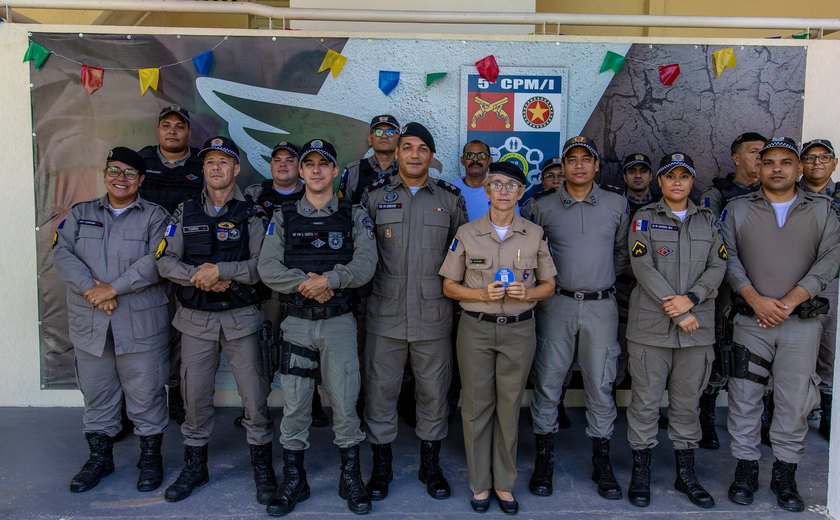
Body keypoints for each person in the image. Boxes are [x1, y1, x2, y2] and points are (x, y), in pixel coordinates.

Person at [258, 139, 378, 516]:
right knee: (295, 405)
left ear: (334, 171)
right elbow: (267, 268)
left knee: (345, 403)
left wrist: (331, 280)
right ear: (301, 170)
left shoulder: (354, 214)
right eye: (308, 164)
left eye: (322, 164)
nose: (315, 170)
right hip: (297, 324)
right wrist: (307, 284)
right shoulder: (283, 216)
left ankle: (350, 478)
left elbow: (366, 264)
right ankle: (295, 480)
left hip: (339, 324)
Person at [721, 137, 840, 512]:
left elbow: (830, 260)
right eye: (768, 161)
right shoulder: (738, 209)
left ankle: (785, 474)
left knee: (794, 401)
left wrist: (790, 301)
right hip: (751, 321)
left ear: (799, 168)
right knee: (744, 397)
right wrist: (755, 298)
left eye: (786, 162)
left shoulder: (823, 211)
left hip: (800, 323)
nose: (776, 168)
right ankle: (745, 469)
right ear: (757, 167)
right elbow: (727, 258)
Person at [156, 136, 276, 504]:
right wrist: (200, 276)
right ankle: (196, 466)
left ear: (236, 169)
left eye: (223, 161)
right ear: (203, 168)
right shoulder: (184, 212)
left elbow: (263, 265)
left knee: (254, 397)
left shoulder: (253, 214)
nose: (216, 168)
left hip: (242, 319)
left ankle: (262, 466)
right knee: (194, 397)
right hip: (195, 320)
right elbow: (164, 260)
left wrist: (222, 270)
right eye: (210, 162)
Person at [439, 162, 556, 514]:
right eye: (497, 184)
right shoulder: (467, 232)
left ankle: (504, 483)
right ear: (487, 191)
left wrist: (529, 293)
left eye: (512, 185)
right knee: (476, 406)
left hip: (519, 329)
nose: (504, 191)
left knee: (509, 406)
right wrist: (480, 294)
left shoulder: (534, 233)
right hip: (476, 328)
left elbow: (550, 285)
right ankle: (480, 483)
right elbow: (449, 286)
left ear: (521, 193)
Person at [53, 147, 170, 493]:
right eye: (114, 170)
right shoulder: (80, 213)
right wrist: (93, 289)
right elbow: (62, 253)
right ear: (105, 174)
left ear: (141, 180)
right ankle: (100, 459)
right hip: (92, 324)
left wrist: (113, 289)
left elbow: (157, 261)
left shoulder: (155, 216)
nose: (121, 178)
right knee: (97, 394)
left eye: (130, 173)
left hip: (139, 325)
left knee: (146, 394)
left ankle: (150, 459)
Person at [361, 122, 468, 501]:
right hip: (384, 315)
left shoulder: (450, 199)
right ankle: (382, 467)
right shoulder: (374, 197)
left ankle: (430, 465)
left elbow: (462, 255)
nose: (415, 154)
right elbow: (361, 255)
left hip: (433, 317)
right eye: (407, 147)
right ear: (397, 153)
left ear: (431, 155)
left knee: (434, 394)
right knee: (380, 393)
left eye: (423, 148)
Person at [523, 136, 630, 500]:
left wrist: (598, 278)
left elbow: (621, 253)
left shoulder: (616, 203)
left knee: (601, 383)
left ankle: (602, 462)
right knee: (549, 381)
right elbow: (531, 255)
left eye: (587, 159)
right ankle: (544, 460)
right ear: (563, 166)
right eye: (572, 159)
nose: (579, 165)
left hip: (601, 305)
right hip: (557, 304)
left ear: (597, 166)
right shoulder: (542, 206)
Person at [624, 152, 726, 509]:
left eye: (684, 176)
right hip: (651, 330)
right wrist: (679, 310)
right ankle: (641, 473)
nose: (677, 182)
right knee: (645, 404)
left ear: (692, 181)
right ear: (661, 182)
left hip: (696, 332)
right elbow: (642, 267)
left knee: (686, 406)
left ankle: (686, 475)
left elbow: (718, 266)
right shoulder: (644, 218)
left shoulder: (708, 221)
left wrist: (692, 299)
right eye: (670, 176)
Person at [243, 142, 328, 429]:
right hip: (267, 287)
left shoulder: (314, 193)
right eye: (277, 159)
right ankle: (258, 407)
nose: (282, 164)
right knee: (265, 347)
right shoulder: (255, 195)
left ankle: (312, 402)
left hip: (306, 287)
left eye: (289, 160)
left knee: (307, 348)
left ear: (300, 168)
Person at [698, 132, 768, 451]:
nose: (760, 157)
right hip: (728, 283)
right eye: (753, 152)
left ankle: (766, 419)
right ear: (736, 158)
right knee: (720, 347)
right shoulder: (717, 195)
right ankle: (708, 412)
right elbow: (713, 240)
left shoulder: (777, 192)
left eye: (764, 152)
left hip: (770, 284)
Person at [137, 104, 204, 426]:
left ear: (189, 132)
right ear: (158, 130)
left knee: (180, 334)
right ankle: (140, 398)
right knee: (144, 332)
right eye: (167, 125)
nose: (173, 131)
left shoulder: (201, 164)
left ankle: (175, 392)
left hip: (184, 264)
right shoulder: (142, 161)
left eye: (179, 126)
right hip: (144, 262)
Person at [797, 138, 839, 441]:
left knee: (828, 348)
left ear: (834, 163)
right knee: (791, 347)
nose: (817, 163)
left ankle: (826, 411)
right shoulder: (787, 194)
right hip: (792, 280)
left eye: (824, 157)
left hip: (832, 282)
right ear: (801, 164)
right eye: (810, 158)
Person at [339, 114, 400, 204]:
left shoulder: (406, 169)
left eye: (390, 132)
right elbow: (343, 207)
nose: (384, 136)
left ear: (399, 139)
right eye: (378, 132)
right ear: (370, 139)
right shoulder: (354, 170)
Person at [452, 140, 493, 220]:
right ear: (462, 160)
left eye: (481, 155)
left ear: (489, 160)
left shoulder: (501, 191)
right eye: (469, 155)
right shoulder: (450, 191)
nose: (475, 159)